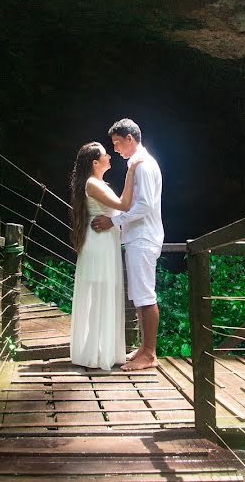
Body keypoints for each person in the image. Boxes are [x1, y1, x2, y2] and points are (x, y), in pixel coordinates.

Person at [91, 118, 163, 371]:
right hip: (138, 236)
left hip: (143, 236)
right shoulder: (138, 164)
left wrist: (114, 221)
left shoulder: (143, 165)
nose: (116, 149)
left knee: (145, 295)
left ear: (130, 139)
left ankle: (150, 353)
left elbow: (144, 206)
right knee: (139, 296)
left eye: (118, 143)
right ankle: (144, 348)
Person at [69, 141, 142, 370]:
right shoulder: (92, 183)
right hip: (99, 244)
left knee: (103, 294)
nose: (109, 157)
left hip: (104, 241)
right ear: (95, 162)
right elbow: (124, 204)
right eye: (105, 154)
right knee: (100, 294)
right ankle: (95, 354)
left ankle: (101, 350)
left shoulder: (96, 183)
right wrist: (131, 171)